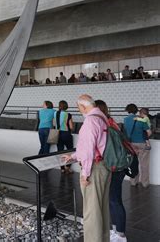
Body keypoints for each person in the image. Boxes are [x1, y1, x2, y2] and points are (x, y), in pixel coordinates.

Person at [62, 95, 111, 242]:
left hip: (94, 169)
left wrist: (85, 174)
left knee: (91, 210)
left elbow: (89, 150)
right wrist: (74, 156)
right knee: (102, 208)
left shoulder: (90, 120)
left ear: (83, 107)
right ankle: (103, 239)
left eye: (78, 108)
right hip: (104, 166)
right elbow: (95, 146)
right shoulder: (102, 117)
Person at [95, 100, 127, 241]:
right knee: (114, 200)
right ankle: (116, 230)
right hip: (119, 165)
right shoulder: (111, 122)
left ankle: (120, 234)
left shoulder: (103, 125)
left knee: (114, 200)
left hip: (113, 166)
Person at [124, 104, 152, 187]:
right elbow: (149, 132)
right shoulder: (141, 119)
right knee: (144, 164)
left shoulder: (125, 120)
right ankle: (145, 183)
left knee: (133, 163)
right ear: (136, 111)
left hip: (131, 144)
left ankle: (133, 182)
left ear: (127, 110)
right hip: (142, 143)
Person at [54, 100, 74, 173]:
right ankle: (68, 167)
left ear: (59, 106)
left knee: (60, 151)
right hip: (66, 134)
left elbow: (54, 123)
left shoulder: (55, 113)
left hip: (58, 134)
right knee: (70, 151)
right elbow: (71, 127)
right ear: (66, 106)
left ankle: (62, 168)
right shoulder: (68, 114)